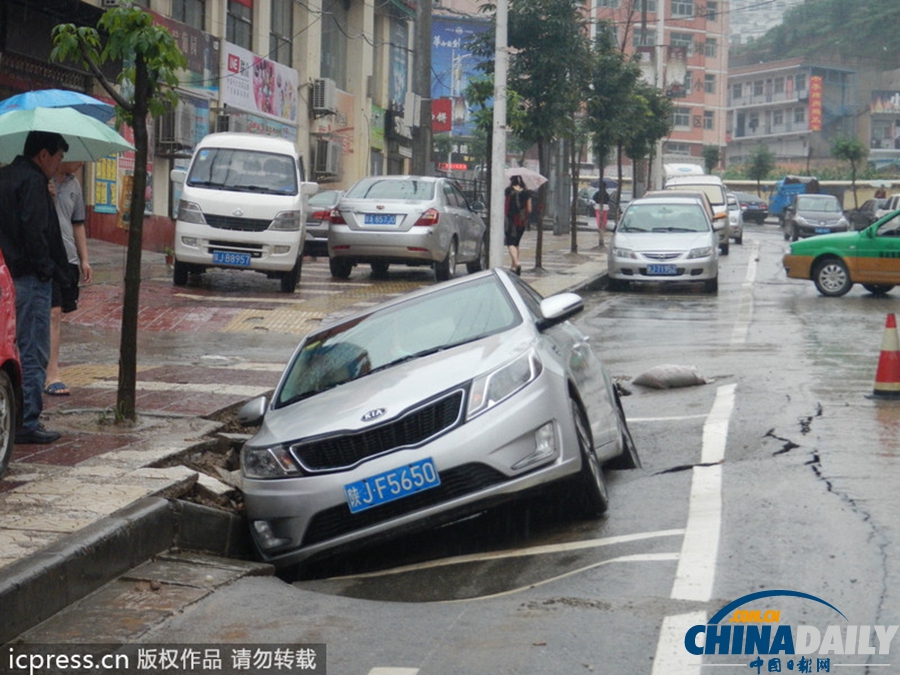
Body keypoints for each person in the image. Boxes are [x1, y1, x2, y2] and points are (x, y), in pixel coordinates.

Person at [0, 131, 70, 444]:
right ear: (43, 154)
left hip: (6, 275)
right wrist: (47, 271)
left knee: (9, 349)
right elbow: (35, 231)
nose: (58, 165)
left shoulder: (5, 177)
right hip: (29, 279)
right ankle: (27, 420)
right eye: (57, 157)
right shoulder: (32, 182)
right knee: (32, 350)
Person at [45, 161, 92, 397]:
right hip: (43, 256)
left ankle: (49, 369)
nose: (81, 163)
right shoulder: (42, 180)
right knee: (51, 313)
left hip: (67, 258)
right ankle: (50, 372)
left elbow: (78, 224)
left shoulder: (75, 185)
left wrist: (84, 259)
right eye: (77, 158)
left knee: (57, 314)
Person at [504, 175, 532, 275]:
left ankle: (516, 262)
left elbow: (505, 205)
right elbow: (529, 209)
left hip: (511, 220)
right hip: (522, 221)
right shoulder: (527, 193)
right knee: (516, 243)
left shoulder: (508, 191)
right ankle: (513, 266)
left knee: (510, 242)